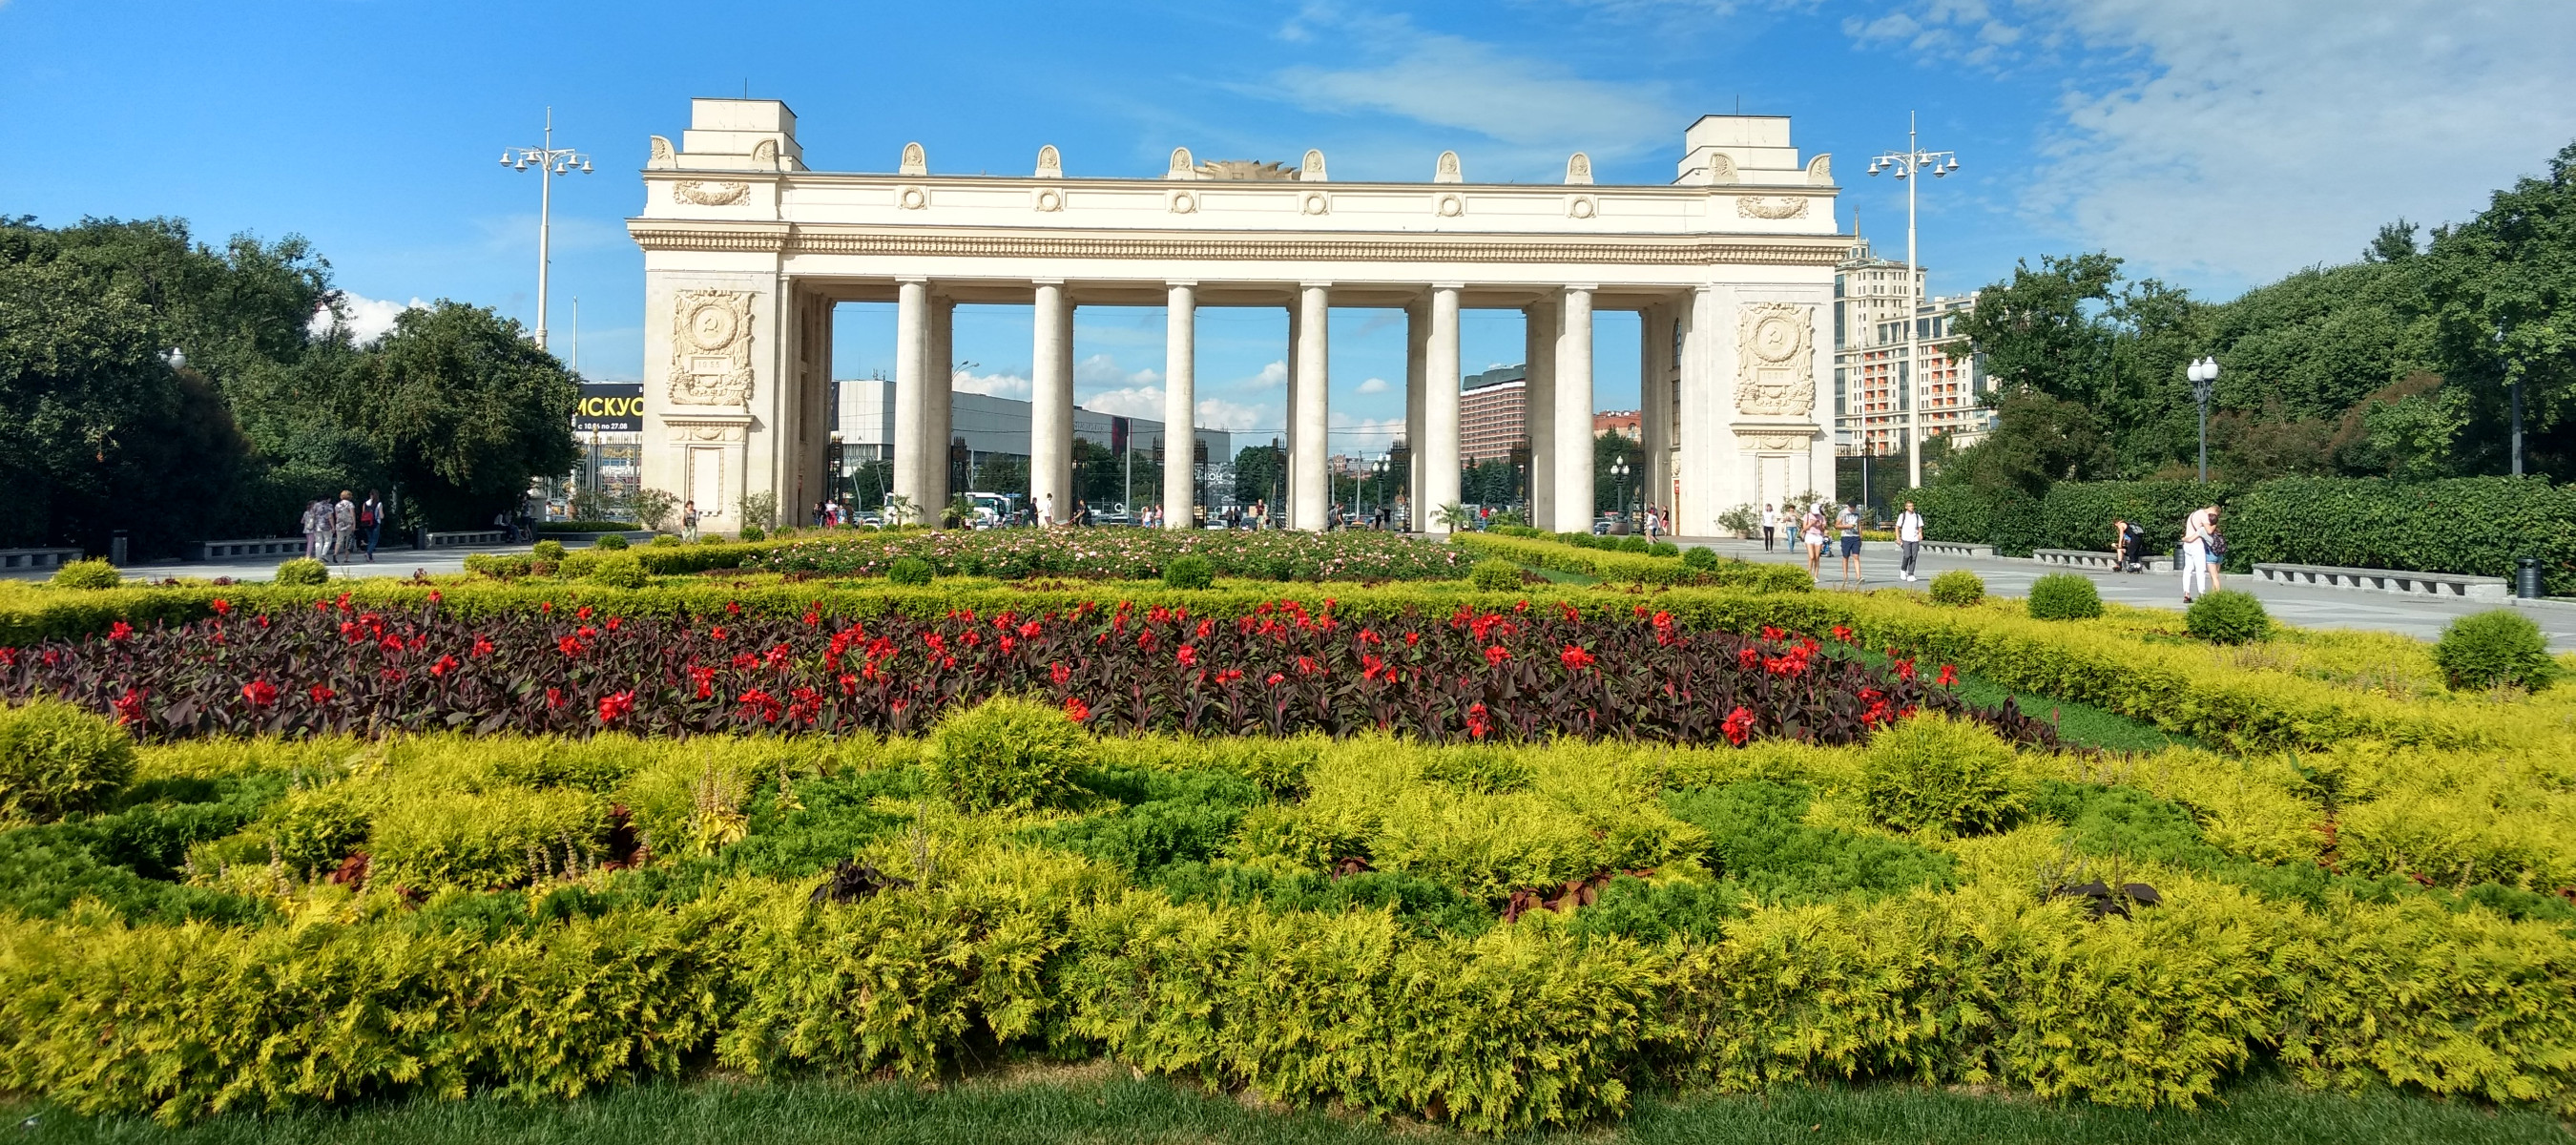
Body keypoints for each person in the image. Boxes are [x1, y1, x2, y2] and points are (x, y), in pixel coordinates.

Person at [2180, 503, 2219, 603]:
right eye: (2215, 515)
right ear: (2214, 511)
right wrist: (2215, 524)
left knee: (2188, 569)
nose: (2212, 517)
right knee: (2200, 570)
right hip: (2196, 545)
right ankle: (2202, 593)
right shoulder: (2203, 515)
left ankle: (2186, 594)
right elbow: (2209, 531)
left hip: (2187, 544)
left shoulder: (2194, 513)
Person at [1836, 502, 1863, 587]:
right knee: (1846, 556)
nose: (1853, 509)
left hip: (1855, 537)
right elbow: (1837, 525)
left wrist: (1861, 536)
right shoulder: (1843, 512)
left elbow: (1859, 524)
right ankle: (1845, 576)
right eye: (1851, 507)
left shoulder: (1858, 512)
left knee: (1856, 556)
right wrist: (1847, 526)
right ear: (1848, 506)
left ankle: (1858, 577)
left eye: (1854, 507)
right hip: (1846, 536)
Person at [1896, 500, 1924, 582]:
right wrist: (1898, 538)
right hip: (1906, 539)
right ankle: (1903, 569)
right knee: (1907, 555)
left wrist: (1920, 534)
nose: (1911, 507)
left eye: (1912, 506)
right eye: (1909, 506)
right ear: (1906, 507)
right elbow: (1897, 527)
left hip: (1915, 539)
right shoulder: (1902, 516)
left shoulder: (1917, 516)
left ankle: (1911, 574)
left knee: (1914, 556)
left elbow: (1920, 526)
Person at [1801, 507, 1825, 578]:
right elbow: (1804, 528)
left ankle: (1815, 576)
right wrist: (1811, 524)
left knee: (1817, 557)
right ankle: (1809, 574)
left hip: (1818, 536)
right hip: (1809, 536)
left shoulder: (1821, 517)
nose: (1815, 514)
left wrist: (1819, 526)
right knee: (1811, 556)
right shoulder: (1807, 516)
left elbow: (1823, 529)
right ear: (1811, 510)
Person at [360, 490, 384, 561]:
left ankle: (370, 557)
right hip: (375, 523)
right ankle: (368, 553)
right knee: (374, 541)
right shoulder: (379, 503)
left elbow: (363, 514)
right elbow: (381, 515)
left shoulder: (365, 503)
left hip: (366, 523)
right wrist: (382, 516)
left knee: (370, 540)